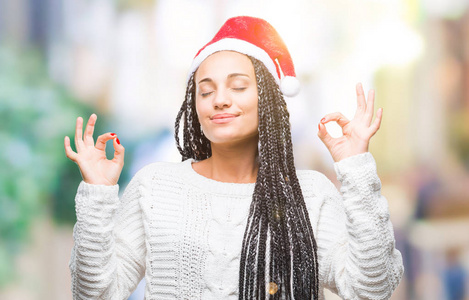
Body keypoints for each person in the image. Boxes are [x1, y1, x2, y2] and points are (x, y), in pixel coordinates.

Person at [65, 16, 403, 300]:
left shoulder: (310, 195)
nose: (220, 100)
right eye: (206, 91)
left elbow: (370, 289)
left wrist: (356, 167)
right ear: (193, 106)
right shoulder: (154, 188)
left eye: (238, 86)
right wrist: (97, 193)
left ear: (269, 99)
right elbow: (96, 293)